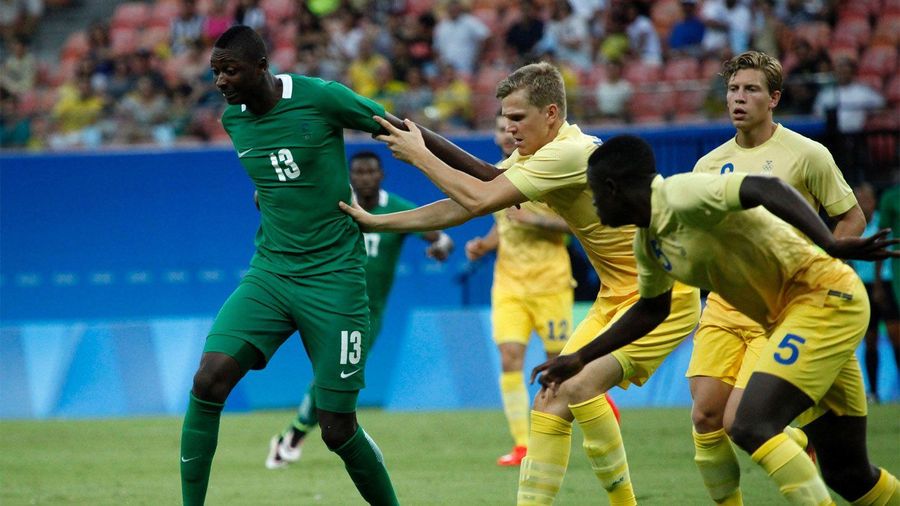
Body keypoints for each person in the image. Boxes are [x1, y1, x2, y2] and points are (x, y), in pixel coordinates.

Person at [341, 62, 701, 506]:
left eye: (517, 118)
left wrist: (418, 154)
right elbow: (475, 190)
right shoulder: (540, 153)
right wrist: (380, 221)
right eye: (505, 119)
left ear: (551, 113)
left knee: (578, 387)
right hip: (615, 296)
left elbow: (477, 198)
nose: (508, 128)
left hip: (662, 296)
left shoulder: (565, 154)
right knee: (552, 397)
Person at [185, 25, 493, 506]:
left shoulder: (321, 98)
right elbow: (272, 177)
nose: (221, 81)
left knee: (336, 428)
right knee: (208, 380)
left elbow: (408, 134)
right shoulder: (234, 121)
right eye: (215, 71)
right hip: (271, 273)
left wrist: (492, 178)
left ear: (262, 67)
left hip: (334, 282)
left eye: (230, 70)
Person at [532, 134, 900, 506]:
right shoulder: (649, 243)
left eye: (594, 194)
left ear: (613, 189)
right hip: (795, 318)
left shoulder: (680, 195)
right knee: (850, 475)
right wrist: (580, 358)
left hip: (823, 299)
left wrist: (830, 243)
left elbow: (764, 187)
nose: (593, 205)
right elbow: (650, 310)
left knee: (749, 424)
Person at [687, 50, 866, 505]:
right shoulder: (708, 165)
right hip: (726, 305)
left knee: (738, 421)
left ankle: (797, 459)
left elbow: (851, 219)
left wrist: (821, 267)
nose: (738, 99)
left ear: (775, 99)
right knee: (706, 416)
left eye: (751, 90)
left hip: (782, 307)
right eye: (732, 89)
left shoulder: (807, 155)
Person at [264, 151, 454, 469]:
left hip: (368, 313)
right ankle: (294, 436)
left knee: (337, 377)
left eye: (371, 172)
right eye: (359, 172)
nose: (365, 177)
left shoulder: (397, 208)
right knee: (330, 374)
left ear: (382, 176)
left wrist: (440, 247)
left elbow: (442, 237)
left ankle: (293, 435)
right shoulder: (336, 204)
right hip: (327, 304)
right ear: (350, 176)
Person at [466, 114, 620, 467]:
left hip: (550, 282)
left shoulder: (547, 170)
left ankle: (601, 406)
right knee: (509, 359)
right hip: (509, 285)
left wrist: (535, 220)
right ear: (494, 136)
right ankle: (522, 445)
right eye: (501, 126)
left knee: (561, 363)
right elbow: (504, 225)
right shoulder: (496, 174)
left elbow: (576, 223)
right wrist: (485, 245)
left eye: (515, 124)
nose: (508, 132)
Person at [851, 183, 900, 404]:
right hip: (863, 287)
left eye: (866, 200)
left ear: (874, 201)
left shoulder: (883, 222)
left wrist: (880, 286)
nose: (863, 204)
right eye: (858, 200)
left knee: (895, 337)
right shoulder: (852, 226)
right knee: (870, 341)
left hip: (886, 285)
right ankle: (872, 393)